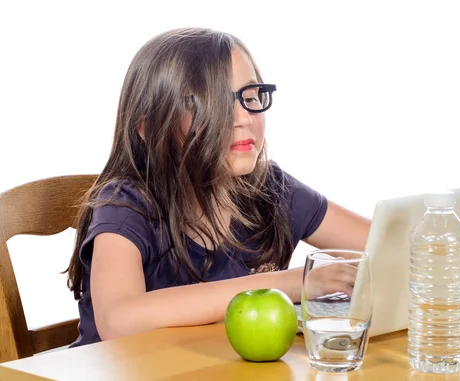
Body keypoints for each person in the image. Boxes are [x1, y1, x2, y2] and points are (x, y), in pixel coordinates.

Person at [64, 27, 370, 348]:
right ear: (148, 126)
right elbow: (118, 319)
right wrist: (294, 282)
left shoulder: (271, 189)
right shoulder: (126, 204)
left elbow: (386, 249)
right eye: (211, 104)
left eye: (250, 97)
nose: (243, 118)